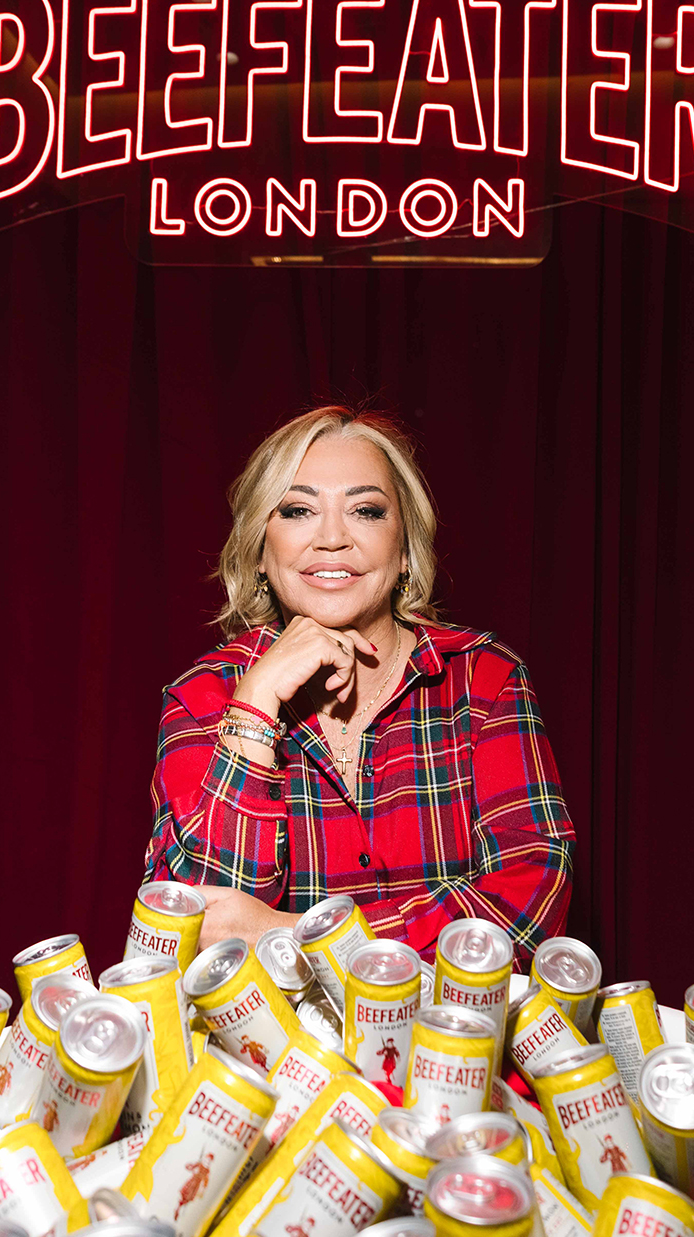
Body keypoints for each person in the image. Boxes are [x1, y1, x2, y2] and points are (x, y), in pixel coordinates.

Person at [144, 406, 574, 970]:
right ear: (259, 551)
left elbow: (528, 906)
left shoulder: (484, 679)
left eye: (365, 511)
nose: (331, 538)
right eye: (298, 510)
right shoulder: (201, 696)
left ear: (403, 553)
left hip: (453, 1047)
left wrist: (296, 936)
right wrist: (255, 707)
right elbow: (194, 935)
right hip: (268, 1053)